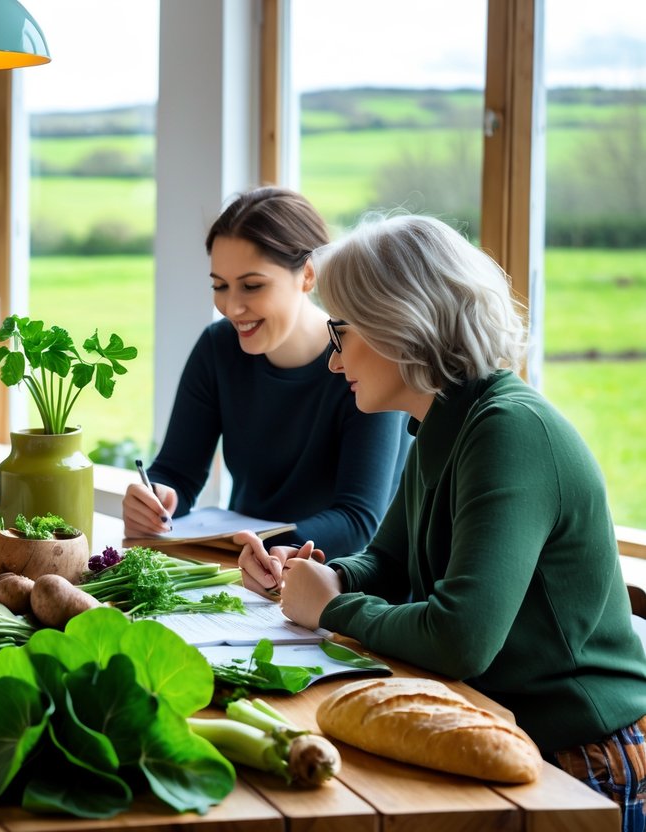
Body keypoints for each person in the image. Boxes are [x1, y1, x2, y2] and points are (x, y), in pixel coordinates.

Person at [250, 214, 646, 829]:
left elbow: (460, 639)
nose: (333, 362)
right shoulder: (444, 421)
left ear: (398, 325)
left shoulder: (508, 431)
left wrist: (330, 609)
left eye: (341, 333)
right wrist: (320, 577)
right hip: (499, 727)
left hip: (577, 760)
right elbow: (389, 561)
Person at [124, 187, 410, 558]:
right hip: (246, 569)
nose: (231, 306)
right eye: (219, 286)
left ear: (307, 275)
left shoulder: (367, 359)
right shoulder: (218, 348)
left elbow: (358, 521)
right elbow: (177, 472)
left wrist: (261, 545)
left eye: (252, 285)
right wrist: (153, 499)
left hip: (342, 585)